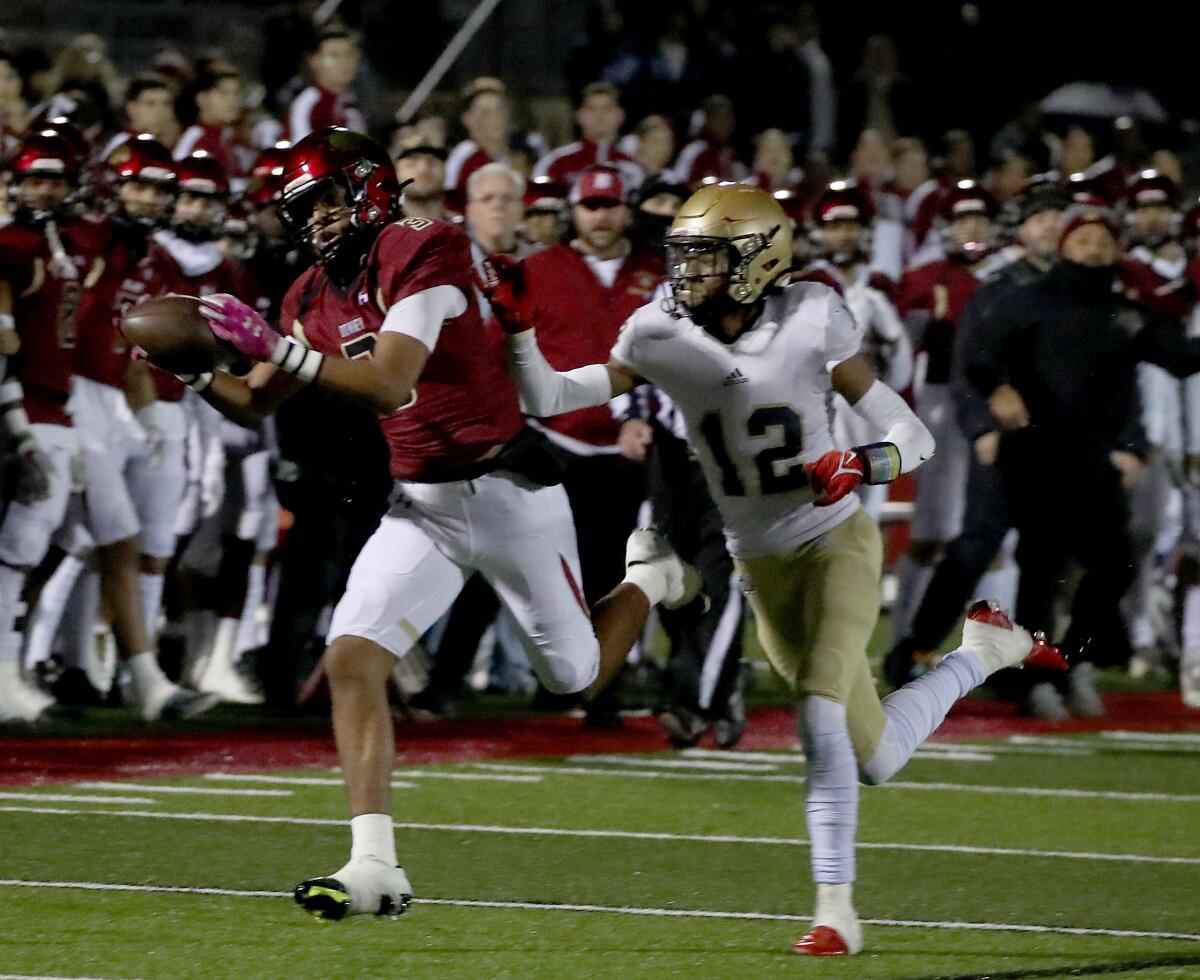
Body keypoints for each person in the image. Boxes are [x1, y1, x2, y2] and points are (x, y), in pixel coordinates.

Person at [483, 182, 1058, 956]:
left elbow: (910, 434)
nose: (687, 271)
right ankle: (980, 654)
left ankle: (836, 911)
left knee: (820, 712)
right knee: (878, 754)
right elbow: (551, 395)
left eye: (706, 256)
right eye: (683, 254)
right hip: (761, 561)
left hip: (835, 542)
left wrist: (862, 462)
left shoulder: (810, 315)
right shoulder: (657, 327)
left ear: (757, 258)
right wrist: (520, 335)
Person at [177, 127, 700, 918]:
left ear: (369, 189)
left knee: (575, 675)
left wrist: (282, 356)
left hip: (508, 490)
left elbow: (390, 381)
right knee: (353, 658)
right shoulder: (307, 297)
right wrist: (189, 369)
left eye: (325, 198)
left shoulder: (426, 245)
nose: (315, 218)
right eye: (301, 207)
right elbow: (253, 402)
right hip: (420, 504)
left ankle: (648, 579)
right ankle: (374, 867)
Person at [884, 177, 1070, 708]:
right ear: (1022, 228)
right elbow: (969, 363)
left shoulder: (1081, 289)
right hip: (1006, 438)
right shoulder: (999, 287)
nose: (1051, 227)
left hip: (1058, 442)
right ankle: (915, 650)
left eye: (1058, 218)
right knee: (974, 545)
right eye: (1040, 218)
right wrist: (981, 426)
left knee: (1044, 557)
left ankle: (1035, 670)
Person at [798, 180, 912, 520]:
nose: (844, 235)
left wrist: (892, 336)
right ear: (819, 232)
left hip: (872, 412)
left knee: (867, 518)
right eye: (834, 226)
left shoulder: (880, 288)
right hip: (824, 411)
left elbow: (902, 374)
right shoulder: (806, 284)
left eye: (852, 225)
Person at [533, 81, 642, 190]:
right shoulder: (555, 162)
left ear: (620, 115)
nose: (600, 115)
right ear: (579, 115)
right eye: (592, 109)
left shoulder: (631, 166)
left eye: (607, 108)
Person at [285, 27, 365, 142]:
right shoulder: (308, 105)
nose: (343, 62)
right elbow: (303, 152)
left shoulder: (353, 101)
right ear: (315, 61)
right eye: (333, 56)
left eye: (349, 54)